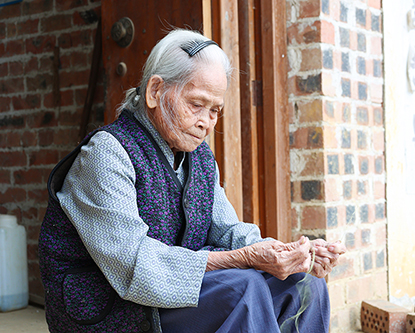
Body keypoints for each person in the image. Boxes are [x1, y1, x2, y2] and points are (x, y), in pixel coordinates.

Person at [38, 29, 346, 333]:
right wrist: (244, 259)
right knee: (242, 289)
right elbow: (134, 266)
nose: (206, 122)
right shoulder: (106, 154)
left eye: (215, 111)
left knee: (304, 285)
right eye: (196, 104)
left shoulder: (199, 158)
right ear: (155, 91)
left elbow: (229, 232)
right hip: (112, 311)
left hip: (168, 298)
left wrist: (287, 254)